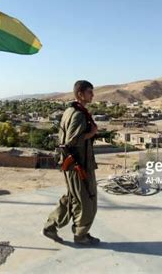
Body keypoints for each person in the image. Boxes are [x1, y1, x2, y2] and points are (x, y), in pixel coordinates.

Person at [42, 80, 100, 245]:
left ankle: (51, 227)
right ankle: (81, 235)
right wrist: (92, 133)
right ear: (80, 94)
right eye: (90, 92)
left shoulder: (71, 110)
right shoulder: (78, 114)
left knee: (73, 198)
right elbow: (71, 141)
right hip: (78, 165)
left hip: (74, 164)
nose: (93, 95)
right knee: (86, 201)